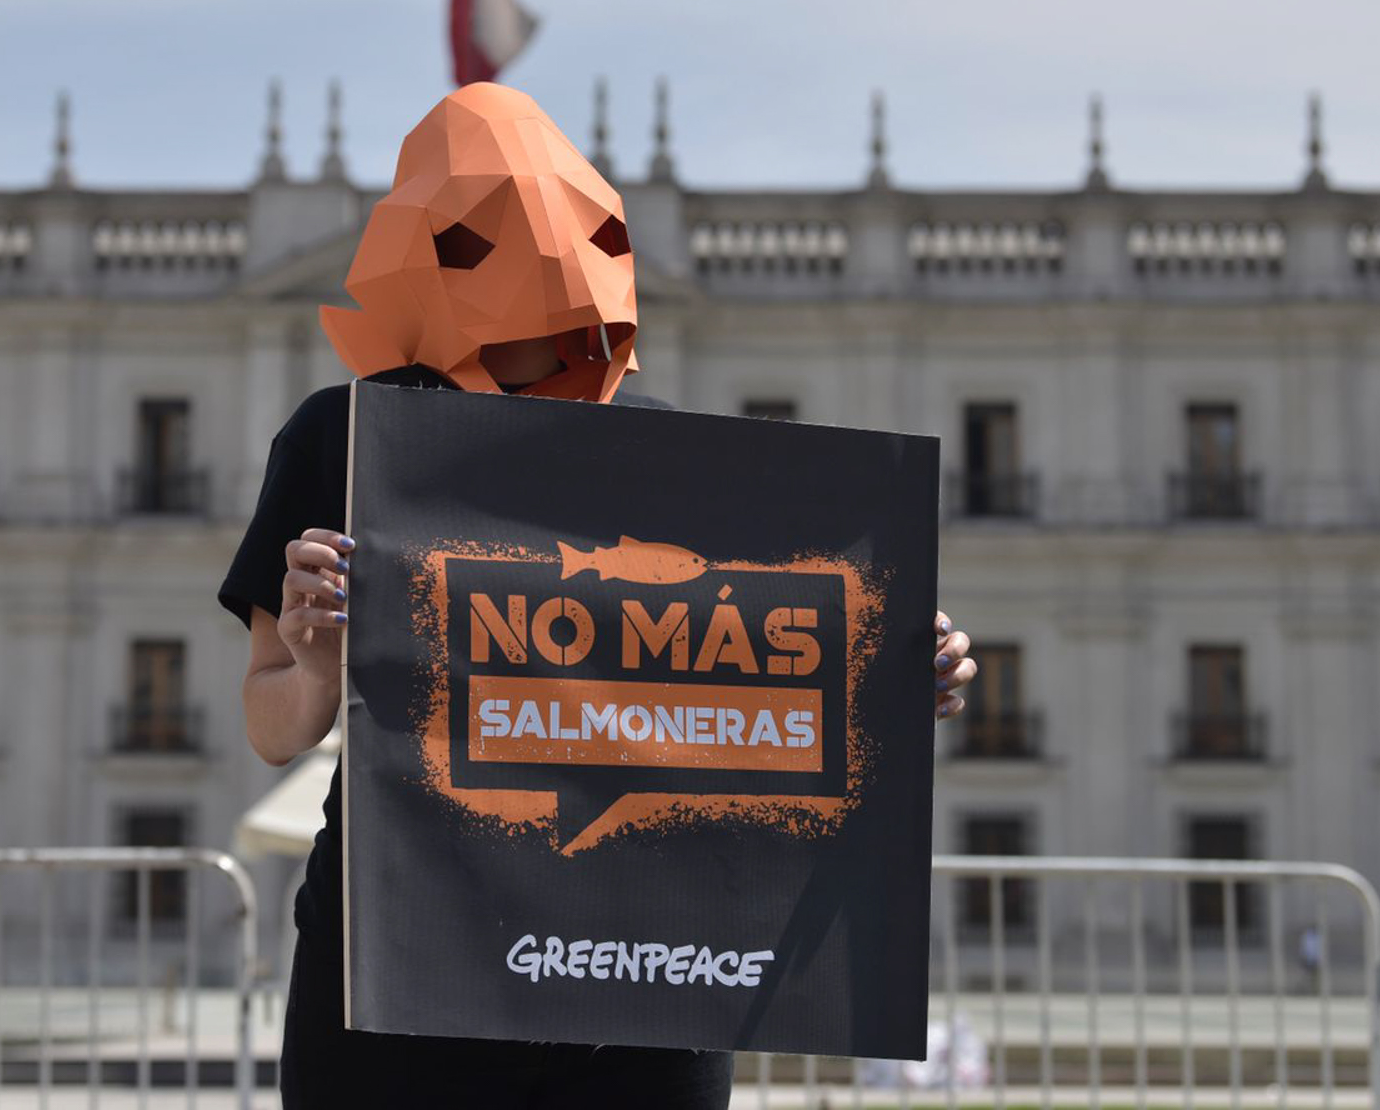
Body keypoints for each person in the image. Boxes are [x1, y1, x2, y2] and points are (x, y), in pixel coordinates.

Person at [220, 82, 978, 1107]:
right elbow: (272, 724)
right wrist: (314, 667)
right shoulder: (343, 438)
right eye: (480, 239)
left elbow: (745, 674)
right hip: (398, 962)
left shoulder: (674, 448)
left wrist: (886, 669)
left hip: (642, 968)